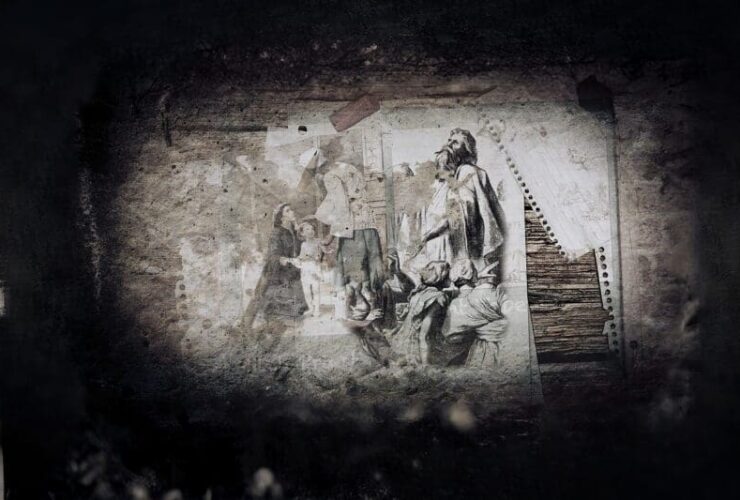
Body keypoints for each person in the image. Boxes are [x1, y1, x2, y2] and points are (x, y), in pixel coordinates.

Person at [413, 129, 506, 272]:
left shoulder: (467, 172)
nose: (449, 144)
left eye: (455, 143)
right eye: (449, 141)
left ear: (466, 149)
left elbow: (459, 216)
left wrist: (427, 237)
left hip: (469, 250)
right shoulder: (471, 173)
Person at [241, 203, 308, 331]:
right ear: (281, 217)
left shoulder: (291, 232)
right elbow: (273, 254)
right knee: (259, 297)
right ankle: (244, 327)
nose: (292, 212)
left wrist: (296, 228)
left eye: (291, 209)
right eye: (288, 211)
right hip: (273, 270)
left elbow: (298, 251)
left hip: (288, 271)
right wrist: (286, 259)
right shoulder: (276, 232)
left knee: (283, 306)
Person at [436, 261, 508, 368]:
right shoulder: (482, 293)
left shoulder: (454, 302)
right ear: (472, 274)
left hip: (450, 351)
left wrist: (475, 277)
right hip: (467, 352)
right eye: (474, 270)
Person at [388, 261, 450, 367]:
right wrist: (425, 364)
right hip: (418, 346)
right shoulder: (437, 297)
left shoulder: (420, 292)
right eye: (448, 276)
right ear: (441, 278)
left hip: (407, 341)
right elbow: (424, 334)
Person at [293, 221, 323, 317]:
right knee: (306, 291)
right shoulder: (303, 244)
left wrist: (316, 257)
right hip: (305, 268)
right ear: (302, 233)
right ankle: (311, 308)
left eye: (312, 229)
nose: (311, 231)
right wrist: (298, 259)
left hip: (314, 267)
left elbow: (319, 255)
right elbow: (302, 256)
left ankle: (317, 309)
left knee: (316, 289)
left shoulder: (317, 242)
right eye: (307, 229)